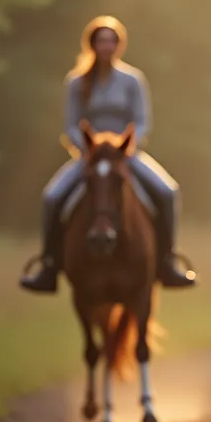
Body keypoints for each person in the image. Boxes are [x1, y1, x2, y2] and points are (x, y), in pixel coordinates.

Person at [20, 15, 197, 292]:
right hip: (89, 157)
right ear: (92, 45)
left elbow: (142, 122)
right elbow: (71, 124)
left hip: (125, 156)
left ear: (119, 45)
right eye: (101, 41)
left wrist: (122, 148)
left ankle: (167, 262)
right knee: (52, 198)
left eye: (112, 40)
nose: (107, 46)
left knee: (168, 192)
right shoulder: (77, 83)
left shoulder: (132, 80)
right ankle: (49, 267)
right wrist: (90, 150)